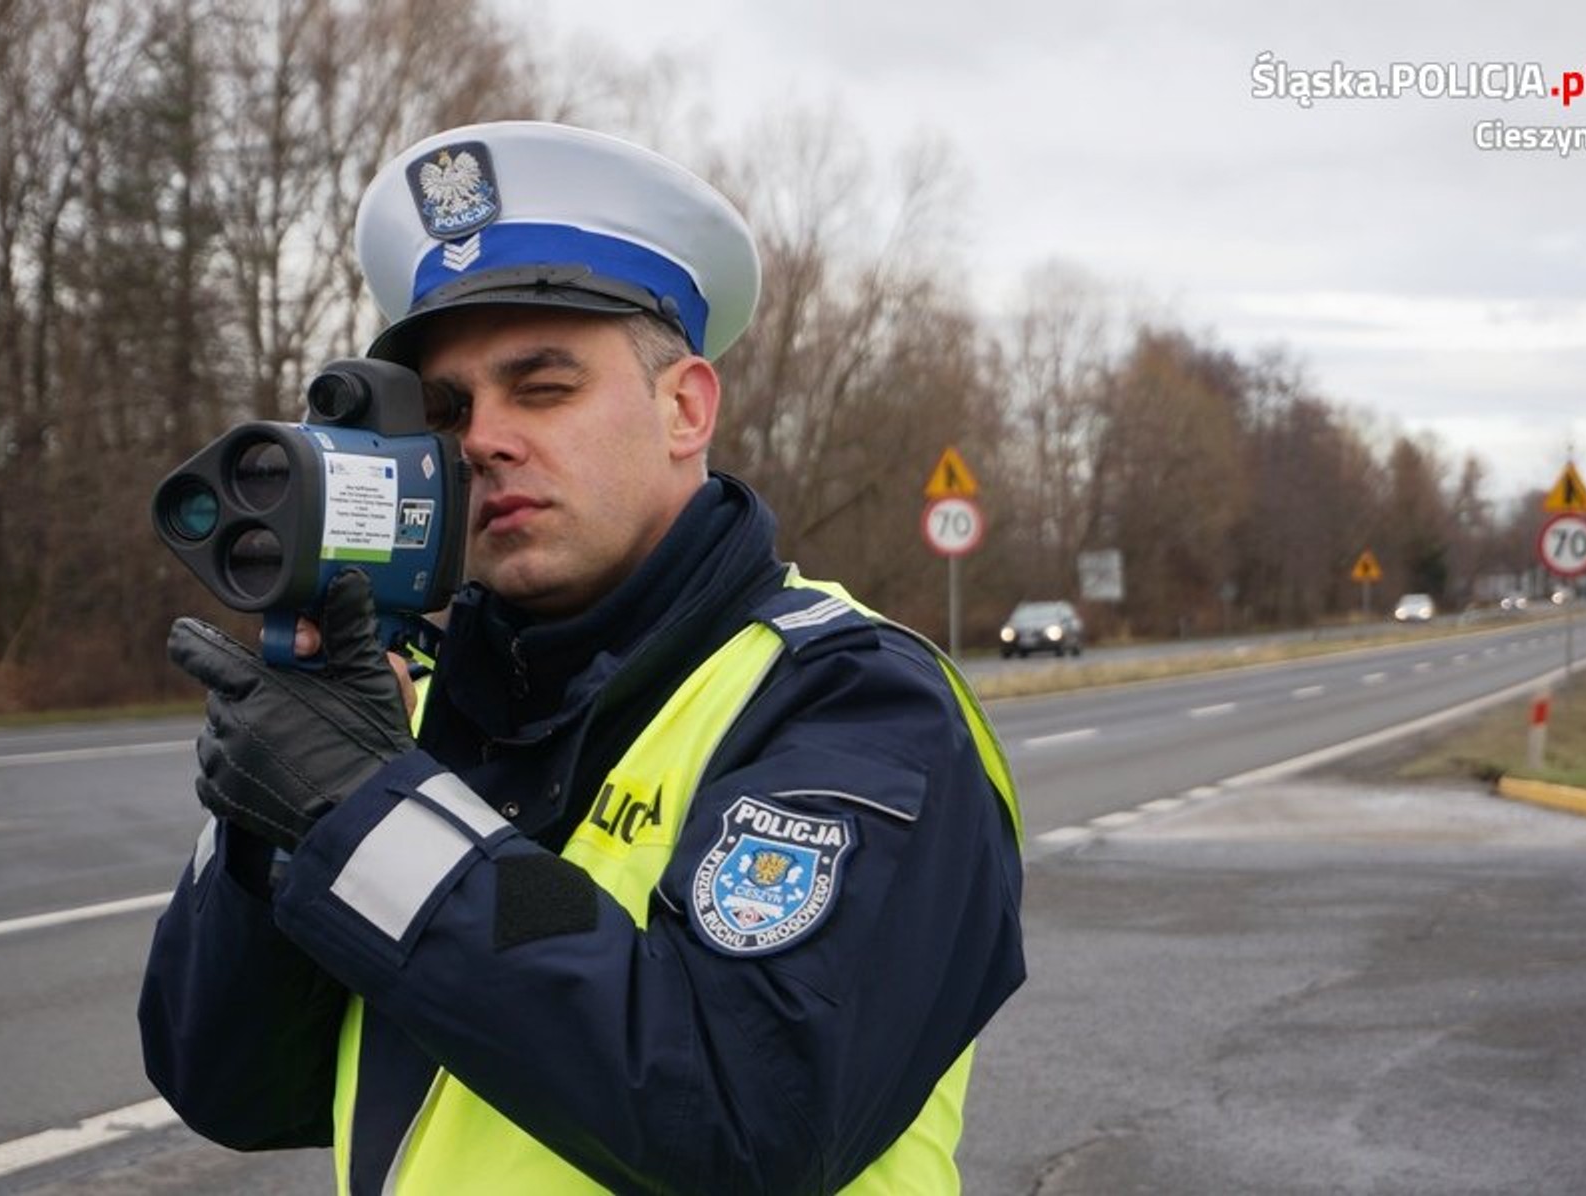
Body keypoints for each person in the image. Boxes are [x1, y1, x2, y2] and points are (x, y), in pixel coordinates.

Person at [140, 120, 1025, 1195]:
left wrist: (364, 814)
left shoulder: (857, 701)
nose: (483, 439)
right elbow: (229, 1085)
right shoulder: (405, 716)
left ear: (684, 407)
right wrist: (270, 822)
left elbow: (743, 1117)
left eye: (543, 387)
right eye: (449, 409)